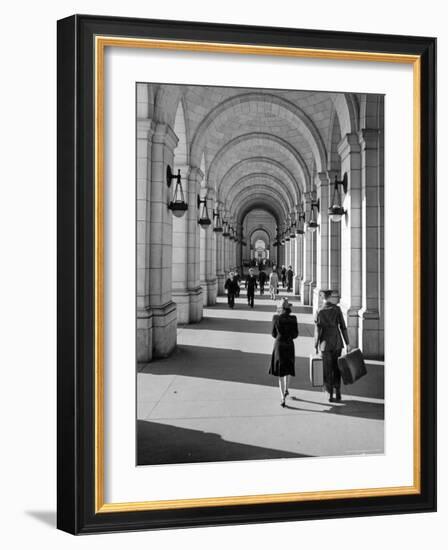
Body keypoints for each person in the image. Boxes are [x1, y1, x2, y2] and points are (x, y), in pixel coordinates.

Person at [314, 289, 350, 402]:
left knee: (327, 369)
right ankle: (338, 391)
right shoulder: (337, 309)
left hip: (325, 343)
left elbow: (317, 331)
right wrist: (347, 343)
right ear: (330, 297)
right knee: (337, 368)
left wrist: (315, 345)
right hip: (337, 342)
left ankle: (330, 394)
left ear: (322, 298)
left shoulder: (319, 311)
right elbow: (343, 327)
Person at [269, 298, 299, 407]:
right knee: (289, 368)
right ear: (288, 308)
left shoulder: (275, 318)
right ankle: (287, 389)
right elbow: (295, 334)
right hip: (289, 344)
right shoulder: (293, 318)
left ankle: (282, 397)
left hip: (279, 345)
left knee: (280, 372)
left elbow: (273, 334)